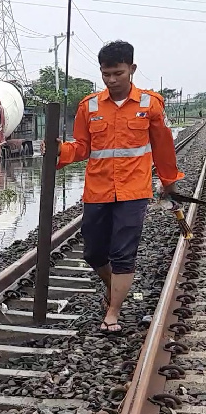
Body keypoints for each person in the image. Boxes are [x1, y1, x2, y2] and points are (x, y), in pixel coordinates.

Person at [42, 40, 184, 333]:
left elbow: (164, 148)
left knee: (123, 252)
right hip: (98, 189)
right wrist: (60, 150)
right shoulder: (89, 106)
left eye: (118, 73)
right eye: (106, 74)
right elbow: (82, 148)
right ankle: (114, 289)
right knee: (93, 252)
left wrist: (169, 184)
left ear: (131, 69)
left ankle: (113, 312)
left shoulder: (150, 105)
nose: (111, 80)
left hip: (134, 191)